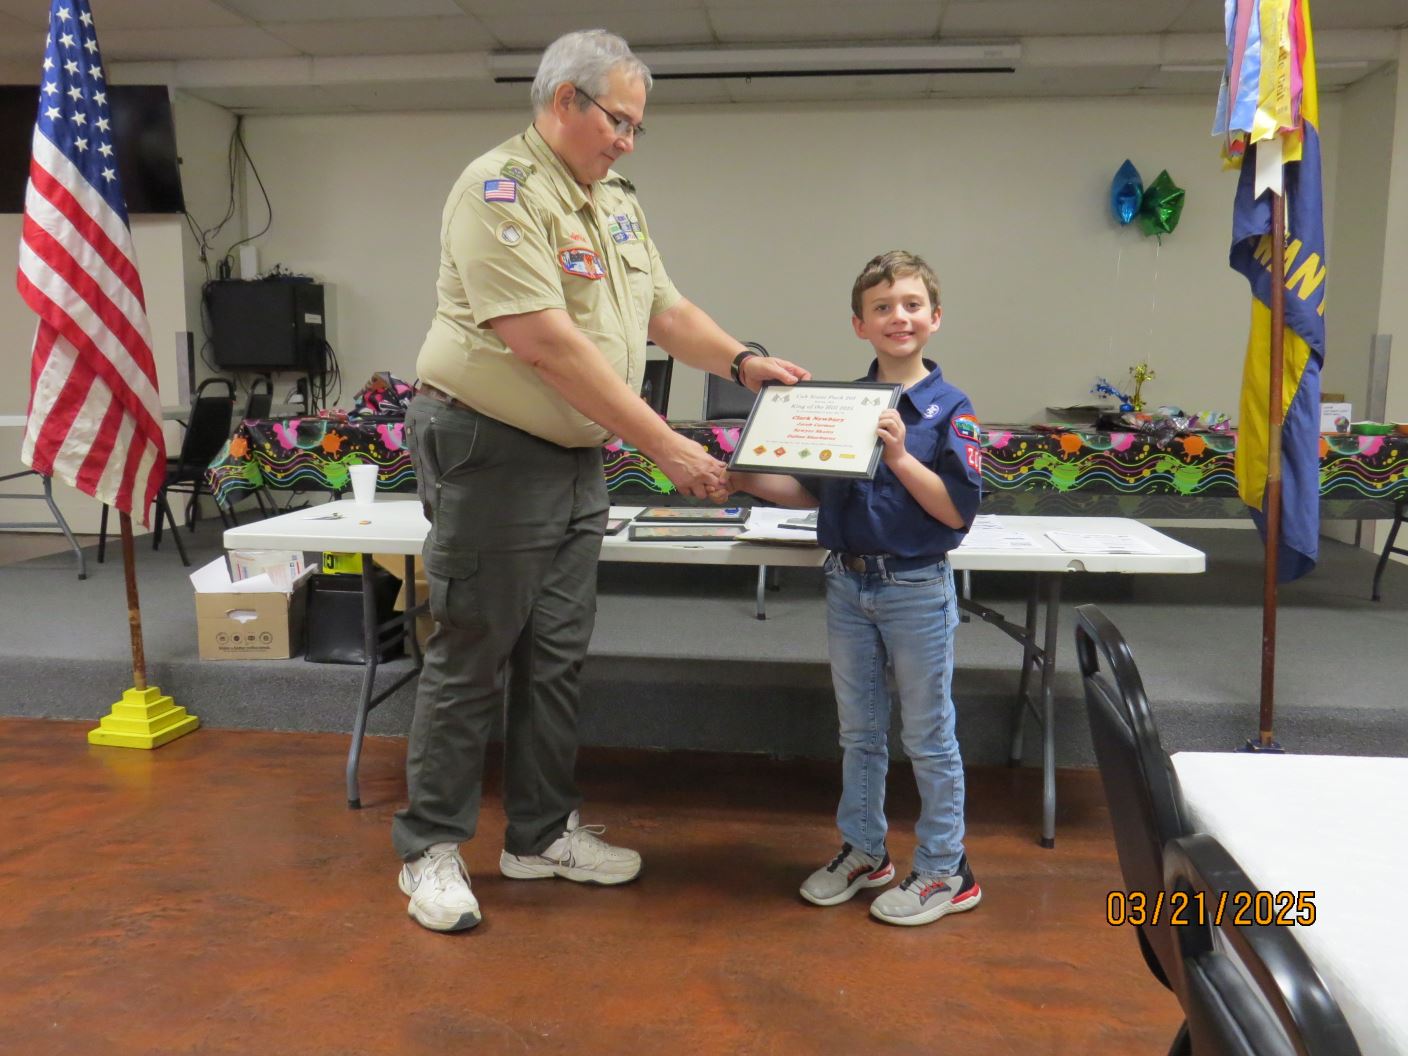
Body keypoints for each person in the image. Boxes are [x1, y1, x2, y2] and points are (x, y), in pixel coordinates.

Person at [391, 28, 809, 933]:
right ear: (563, 101)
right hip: (490, 447)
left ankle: (539, 835)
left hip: (573, 453)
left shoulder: (611, 200)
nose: (627, 140)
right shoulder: (499, 190)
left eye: (635, 127)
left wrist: (743, 361)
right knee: (473, 650)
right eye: (618, 120)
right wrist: (665, 448)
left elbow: (664, 308)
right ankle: (429, 849)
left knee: (556, 655)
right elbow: (545, 343)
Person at [727, 250, 984, 927]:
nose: (898, 316)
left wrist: (898, 455)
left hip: (915, 586)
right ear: (859, 325)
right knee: (861, 731)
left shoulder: (950, 408)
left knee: (928, 735)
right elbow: (812, 490)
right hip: (847, 582)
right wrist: (744, 475)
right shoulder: (842, 404)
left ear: (935, 317)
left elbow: (955, 511)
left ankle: (946, 869)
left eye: (911, 305)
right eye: (881, 307)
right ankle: (866, 850)